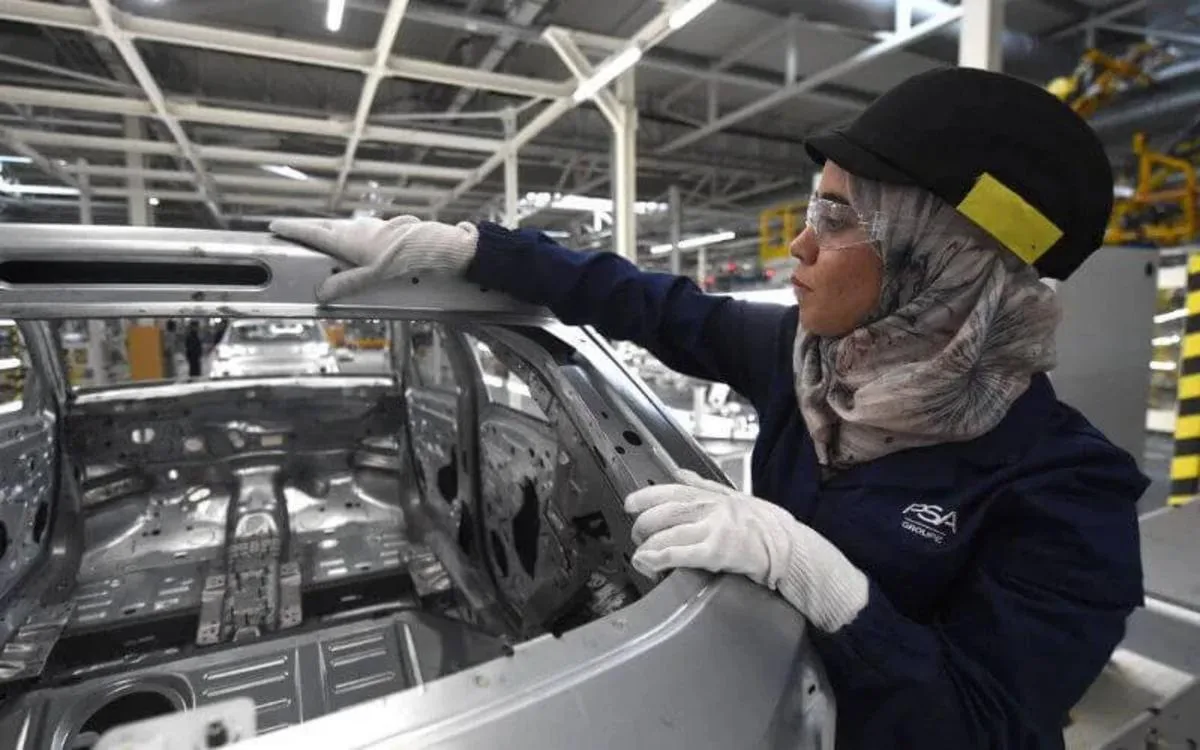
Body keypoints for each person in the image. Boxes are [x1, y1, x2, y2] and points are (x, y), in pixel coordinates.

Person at [271, 67, 1145, 749]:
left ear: (941, 260)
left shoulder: (1071, 495)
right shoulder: (806, 362)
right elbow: (645, 301)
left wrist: (829, 587)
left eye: (838, 219)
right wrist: (466, 251)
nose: (800, 243)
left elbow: (986, 728)